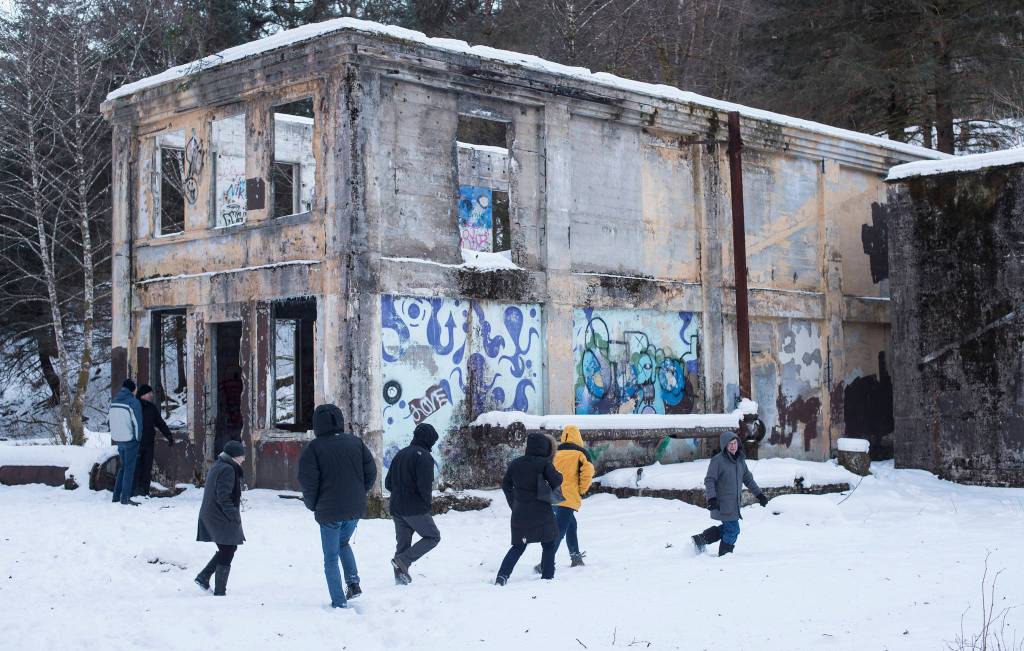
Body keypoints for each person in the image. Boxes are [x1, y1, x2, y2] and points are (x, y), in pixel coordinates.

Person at [298, 404, 377, 609]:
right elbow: (371, 472)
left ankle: (339, 602)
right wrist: (359, 493)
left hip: (329, 511)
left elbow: (308, 482)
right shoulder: (356, 443)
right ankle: (353, 583)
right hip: (354, 509)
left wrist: (313, 505)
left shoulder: (313, 449)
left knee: (331, 557)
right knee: (343, 543)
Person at [495, 432, 563, 585]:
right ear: (544, 448)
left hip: (520, 513)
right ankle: (547, 577)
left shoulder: (516, 463)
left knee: (518, 547)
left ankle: (502, 576)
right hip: (542, 512)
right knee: (549, 544)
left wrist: (513, 503)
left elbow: (505, 484)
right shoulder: (544, 464)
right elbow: (557, 481)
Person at [690, 431, 769, 556]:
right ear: (724, 445)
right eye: (730, 444)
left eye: (735, 443)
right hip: (722, 503)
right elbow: (710, 480)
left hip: (734, 504)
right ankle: (725, 555)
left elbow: (748, 479)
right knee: (733, 530)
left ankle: (701, 539)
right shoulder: (718, 460)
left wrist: (759, 495)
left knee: (729, 529)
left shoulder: (740, 460)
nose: (733, 446)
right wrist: (712, 498)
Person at [385, 423, 441, 585]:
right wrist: (426, 505)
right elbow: (425, 487)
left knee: (403, 545)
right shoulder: (424, 457)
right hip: (415, 508)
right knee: (433, 537)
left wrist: (400, 493)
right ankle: (403, 561)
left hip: (396, 508)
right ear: (428, 439)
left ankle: (400, 581)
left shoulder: (400, 454)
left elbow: (388, 483)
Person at [195, 440, 246, 596]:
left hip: (212, 513)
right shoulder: (228, 469)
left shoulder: (220, 465)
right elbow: (223, 496)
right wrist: (234, 516)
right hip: (218, 515)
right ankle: (219, 591)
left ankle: (204, 577)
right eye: (242, 456)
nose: (244, 459)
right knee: (228, 549)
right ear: (235, 456)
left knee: (228, 548)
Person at [549, 425, 595, 568]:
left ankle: (575, 557)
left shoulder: (555, 453)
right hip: (568, 498)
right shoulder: (581, 453)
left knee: (571, 525)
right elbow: (588, 472)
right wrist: (581, 490)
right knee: (560, 531)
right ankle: (546, 561)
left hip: (554, 496)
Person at [133, 384, 175, 497]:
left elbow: (160, 423)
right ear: (143, 394)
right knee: (136, 468)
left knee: (147, 468)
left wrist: (168, 435)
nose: (151, 395)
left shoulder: (151, 408)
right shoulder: (134, 406)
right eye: (149, 393)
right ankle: (135, 492)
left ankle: (145, 492)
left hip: (148, 443)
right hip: (135, 443)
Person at [109, 378, 144, 506]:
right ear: (132, 390)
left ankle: (116, 497)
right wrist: (138, 438)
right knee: (129, 469)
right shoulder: (133, 402)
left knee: (123, 467)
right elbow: (138, 423)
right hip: (130, 440)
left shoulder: (114, 401)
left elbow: (109, 420)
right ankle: (125, 498)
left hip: (118, 439)